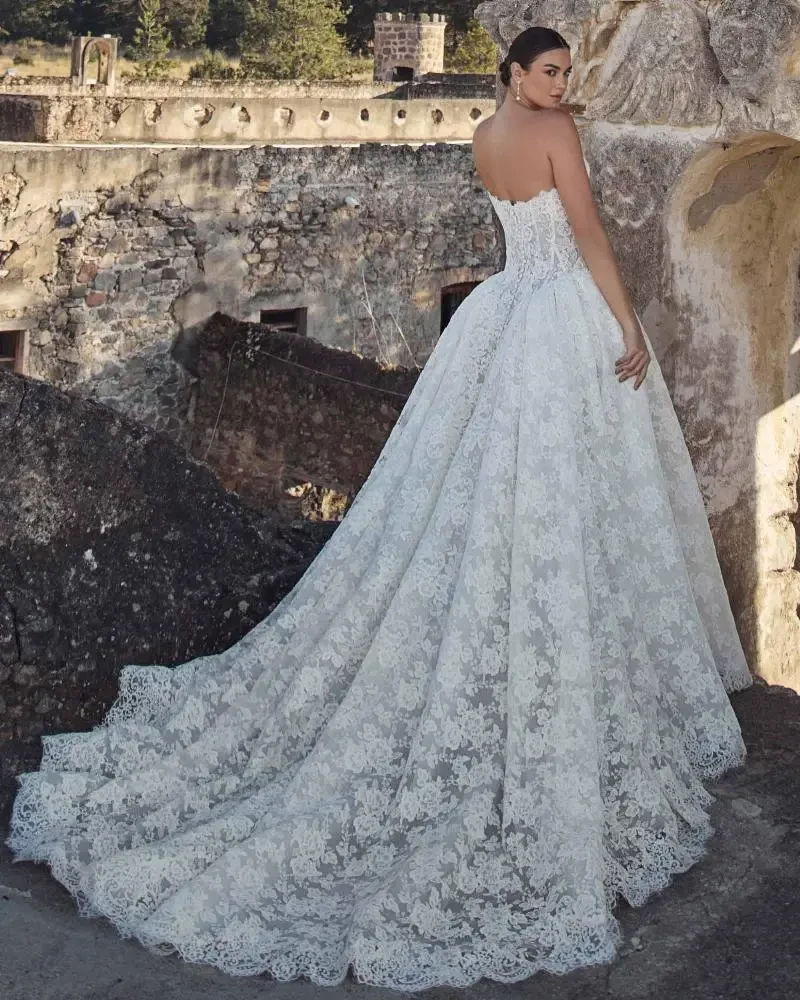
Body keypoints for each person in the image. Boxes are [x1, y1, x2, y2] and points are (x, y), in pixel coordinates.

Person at [7, 26, 752, 993]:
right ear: (516, 74)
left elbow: (511, 231)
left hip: (502, 318)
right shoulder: (558, 135)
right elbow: (591, 236)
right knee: (569, 495)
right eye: (551, 71)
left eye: (569, 71)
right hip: (561, 313)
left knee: (479, 494)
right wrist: (626, 325)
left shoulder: (484, 134)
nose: (564, 84)